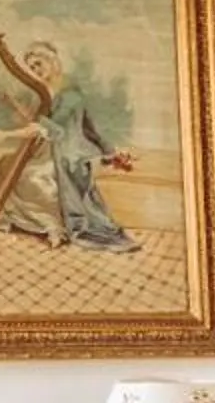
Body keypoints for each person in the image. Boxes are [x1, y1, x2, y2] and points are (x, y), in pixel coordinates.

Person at [12, 40, 140, 252]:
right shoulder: (52, 92)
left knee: (30, 179)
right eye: (32, 67)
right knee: (24, 176)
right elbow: (77, 126)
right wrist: (110, 151)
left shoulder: (69, 92)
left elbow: (68, 127)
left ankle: (61, 228)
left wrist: (32, 125)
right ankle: (50, 226)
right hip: (62, 153)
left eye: (38, 64)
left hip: (69, 156)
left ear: (52, 61)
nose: (35, 70)